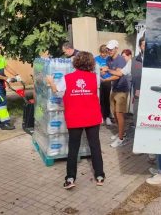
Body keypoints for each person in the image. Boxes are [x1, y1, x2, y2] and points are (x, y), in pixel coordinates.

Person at [46, 51, 105, 190]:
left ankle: (70, 178)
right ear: (91, 63)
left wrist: (51, 82)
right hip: (92, 117)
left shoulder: (67, 78)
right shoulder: (95, 78)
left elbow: (56, 91)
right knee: (95, 146)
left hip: (75, 117)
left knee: (73, 148)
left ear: (76, 63)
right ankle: (100, 176)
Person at [102, 40, 129, 148]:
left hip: (122, 90)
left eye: (111, 49)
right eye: (108, 49)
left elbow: (118, 74)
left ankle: (121, 138)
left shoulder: (121, 60)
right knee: (114, 113)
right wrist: (104, 71)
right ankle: (120, 132)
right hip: (114, 89)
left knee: (119, 114)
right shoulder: (108, 59)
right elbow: (109, 70)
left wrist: (106, 77)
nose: (109, 51)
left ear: (116, 49)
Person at [95, 45, 113, 126]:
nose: (103, 55)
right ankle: (101, 116)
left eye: (105, 53)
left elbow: (111, 69)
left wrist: (106, 71)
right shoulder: (96, 59)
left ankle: (107, 117)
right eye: (102, 53)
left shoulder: (109, 59)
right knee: (100, 99)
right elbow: (94, 69)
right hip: (98, 81)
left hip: (107, 81)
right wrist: (100, 70)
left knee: (106, 99)